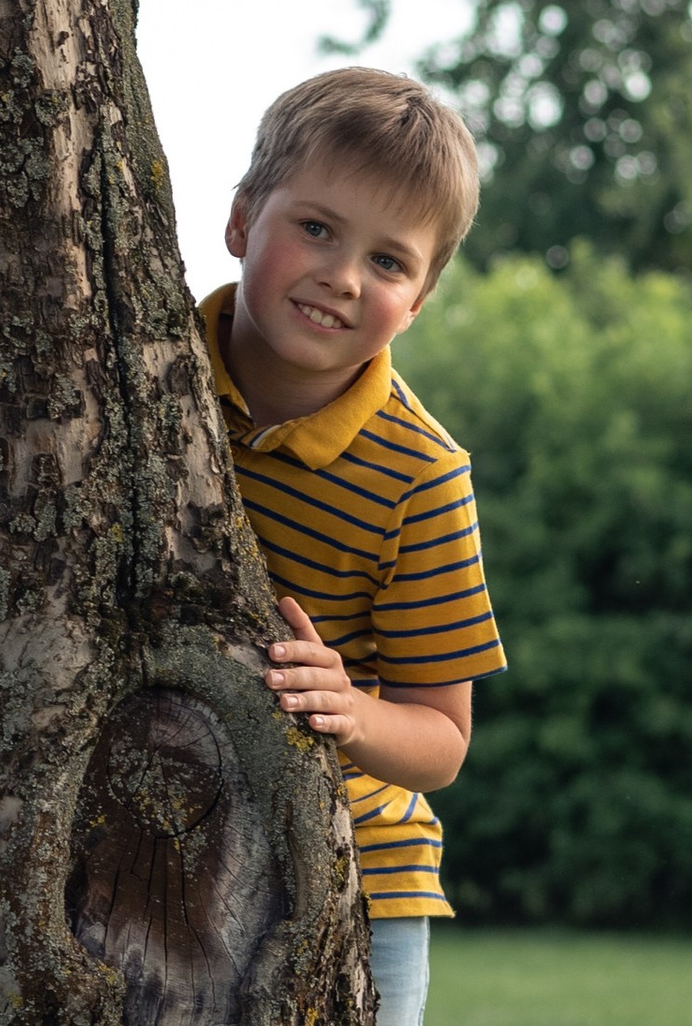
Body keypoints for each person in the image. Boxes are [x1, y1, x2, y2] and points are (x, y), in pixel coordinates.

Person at [208, 67, 506, 1026]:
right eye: (319, 228)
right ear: (243, 219)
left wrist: (349, 710)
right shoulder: (143, 366)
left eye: (389, 261)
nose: (343, 275)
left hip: (356, 870)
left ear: (417, 301)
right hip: (172, 837)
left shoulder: (420, 474)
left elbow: (443, 738)